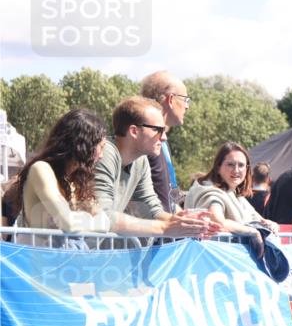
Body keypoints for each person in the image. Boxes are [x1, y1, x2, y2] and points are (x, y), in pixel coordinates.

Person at [94, 96, 211, 237]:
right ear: (134, 131)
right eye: (158, 130)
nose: (164, 138)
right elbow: (102, 216)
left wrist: (186, 223)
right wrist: (165, 228)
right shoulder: (105, 153)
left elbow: (152, 209)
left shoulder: (141, 160)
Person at [6, 108, 112, 245]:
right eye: (101, 147)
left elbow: (105, 222)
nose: (102, 155)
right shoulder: (41, 169)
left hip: (61, 262)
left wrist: (81, 220)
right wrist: (88, 219)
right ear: (83, 144)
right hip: (35, 262)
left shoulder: (77, 181)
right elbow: (68, 224)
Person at [185, 142, 279, 253]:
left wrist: (270, 224)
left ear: (247, 169)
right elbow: (218, 222)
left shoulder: (233, 193)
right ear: (218, 167)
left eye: (241, 165)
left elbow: (259, 220)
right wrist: (252, 232)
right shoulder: (210, 192)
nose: (236, 170)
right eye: (230, 164)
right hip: (212, 261)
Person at [140, 70, 190, 211]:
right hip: (151, 230)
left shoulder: (162, 142)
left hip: (165, 228)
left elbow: (167, 194)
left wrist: (185, 215)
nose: (187, 106)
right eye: (185, 99)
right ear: (171, 100)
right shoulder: (143, 140)